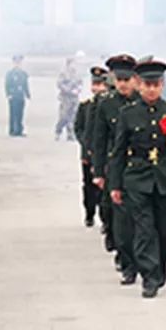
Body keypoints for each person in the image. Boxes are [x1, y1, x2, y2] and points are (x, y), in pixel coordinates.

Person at [107, 59, 166, 298]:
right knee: (144, 229)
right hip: (137, 178)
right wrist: (115, 184)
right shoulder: (128, 114)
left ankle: (159, 267)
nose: (151, 89)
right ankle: (148, 275)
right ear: (139, 85)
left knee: (165, 231)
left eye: (156, 84)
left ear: (163, 85)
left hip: (165, 179)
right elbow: (118, 152)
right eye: (147, 84)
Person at [91, 54, 141, 285]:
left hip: (141, 167)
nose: (122, 84)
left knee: (141, 219)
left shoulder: (144, 101)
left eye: (127, 78)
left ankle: (142, 260)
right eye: (118, 79)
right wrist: (99, 171)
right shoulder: (106, 103)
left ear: (135, 78)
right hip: (116, 168)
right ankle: (127, 261)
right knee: (119, 220)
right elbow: (99, 140)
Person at [73, 66, 108, 228]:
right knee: (88, 185)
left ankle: (104, 216)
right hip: (88, 154)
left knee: (103, 186)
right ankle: (89, 213)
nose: (97, 88)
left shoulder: (109, 106)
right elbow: (78, 128)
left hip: (104, 154)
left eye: (101, 84)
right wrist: (86, 145)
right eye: (95, 84)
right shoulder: (85, 106)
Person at [55, 57, 83, 141]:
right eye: (72, 64)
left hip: (74, 98)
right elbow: (59, 84)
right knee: (64, 116)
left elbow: (80, 83)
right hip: (65, 98)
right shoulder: (63, 73)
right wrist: (69, 90)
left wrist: (78, 90)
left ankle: (70, 134)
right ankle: (58, 131)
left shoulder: (77, 74)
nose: (73, 66)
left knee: (73, 116)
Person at [5, 55, 30, 137]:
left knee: (20, 114)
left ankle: (19, 130)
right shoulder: (10, 73)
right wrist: (8, 94)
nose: (18, 64)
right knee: (13, 113)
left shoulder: (24, 74)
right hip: (13, 95)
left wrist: (27, 94)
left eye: (19, 62)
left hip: (20, 96)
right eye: (16, 62)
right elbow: (7, 85)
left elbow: (25, 85)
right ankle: (12, 130)